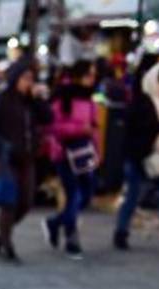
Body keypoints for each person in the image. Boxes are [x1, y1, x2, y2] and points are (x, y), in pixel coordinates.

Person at [0, 58, 49, 262]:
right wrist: (3, 145)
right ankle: (6, 244)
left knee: (26, 201)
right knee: (9, 201)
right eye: (26, 78)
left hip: (26, 157)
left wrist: (39, 99)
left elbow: (48, 118)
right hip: (3, 157)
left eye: (32, 79)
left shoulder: (30, 103)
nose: (29, 83)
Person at [116, 59, 159, 255]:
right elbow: (141, 128)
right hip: (142, 159)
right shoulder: (142, 102)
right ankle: (121, 232)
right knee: (133, 198)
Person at [42, 61, 100, 259]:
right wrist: (77, 130)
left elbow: (94, 128)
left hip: (85, 151)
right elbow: (53, 127)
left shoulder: (90, 100)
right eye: (88, 75)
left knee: (86, 194)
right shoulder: (63, 97)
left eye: (94, 75)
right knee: (73, 194)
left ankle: (56, 222)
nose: (92, 79)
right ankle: (71, 238)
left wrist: (97, 151)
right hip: (64, 152)